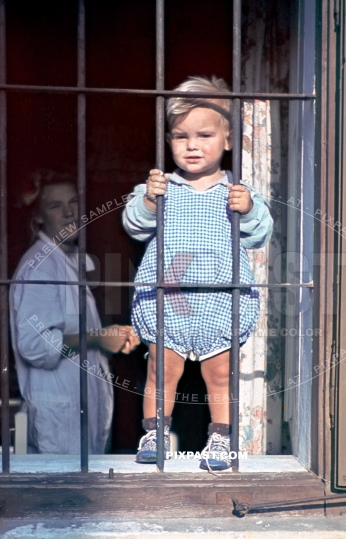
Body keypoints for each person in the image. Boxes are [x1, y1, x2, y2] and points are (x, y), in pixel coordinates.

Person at [122, 76, 273, 470]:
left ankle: (221, 440)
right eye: (180, 136)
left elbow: (261, 235)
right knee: (160, 368)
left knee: (220, 374)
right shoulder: (160, 187)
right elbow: (134, 226)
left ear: (227, 140)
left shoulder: (236, 191)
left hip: (220, 298)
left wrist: (250, 210)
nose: (191, 145)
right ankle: (155, 432)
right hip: (169, 297)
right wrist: (150, 204)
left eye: (204, 135)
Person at [10, 170, 140, 454]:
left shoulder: (65, 261)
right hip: (59, 420)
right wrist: (95, 339)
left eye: (74, 203)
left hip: (75, 415)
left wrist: (109, 337)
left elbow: (76, 332)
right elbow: (33, 345)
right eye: (56, 206)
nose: (69, 213)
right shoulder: (40, 267)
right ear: (40, 217)